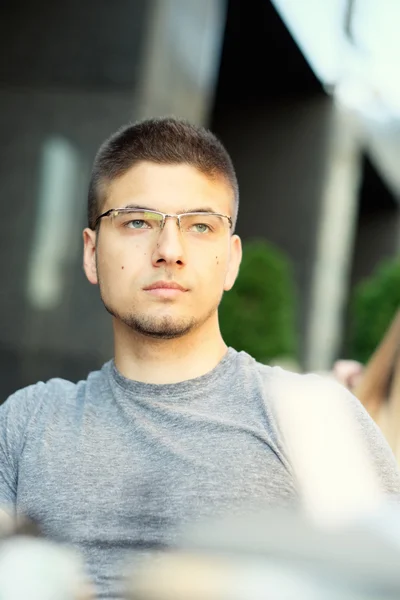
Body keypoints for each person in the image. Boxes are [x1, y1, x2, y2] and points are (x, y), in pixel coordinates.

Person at [0, 117, 399, 600]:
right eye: (137, 221)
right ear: (90, 253)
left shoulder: (313, 420)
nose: (169, 250)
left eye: (200, 226)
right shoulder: (25, 422)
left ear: (231, 261)